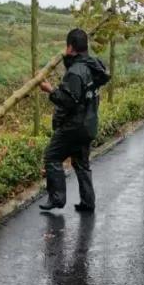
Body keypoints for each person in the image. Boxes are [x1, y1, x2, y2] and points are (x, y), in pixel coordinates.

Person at [38, 28, 110, 213]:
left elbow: (68, 101)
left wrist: (50, 90)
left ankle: (57, 198)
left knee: (52, 157)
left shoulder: (75, 72)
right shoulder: (94, 66)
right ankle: (88, 202)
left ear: (70, 47)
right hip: (89, 124)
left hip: (74, 126)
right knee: (81, 163)